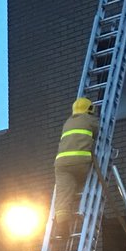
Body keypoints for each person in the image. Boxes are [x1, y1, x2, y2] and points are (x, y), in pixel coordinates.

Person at [54, 96, 99, 225]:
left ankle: (62, 226)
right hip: (81, 162)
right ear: (89, 109)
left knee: (63, 194)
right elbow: (99, 131)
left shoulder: (67, 123)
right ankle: (82, 210)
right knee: (83, 183)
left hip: (61, 164)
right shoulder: (90, 120)